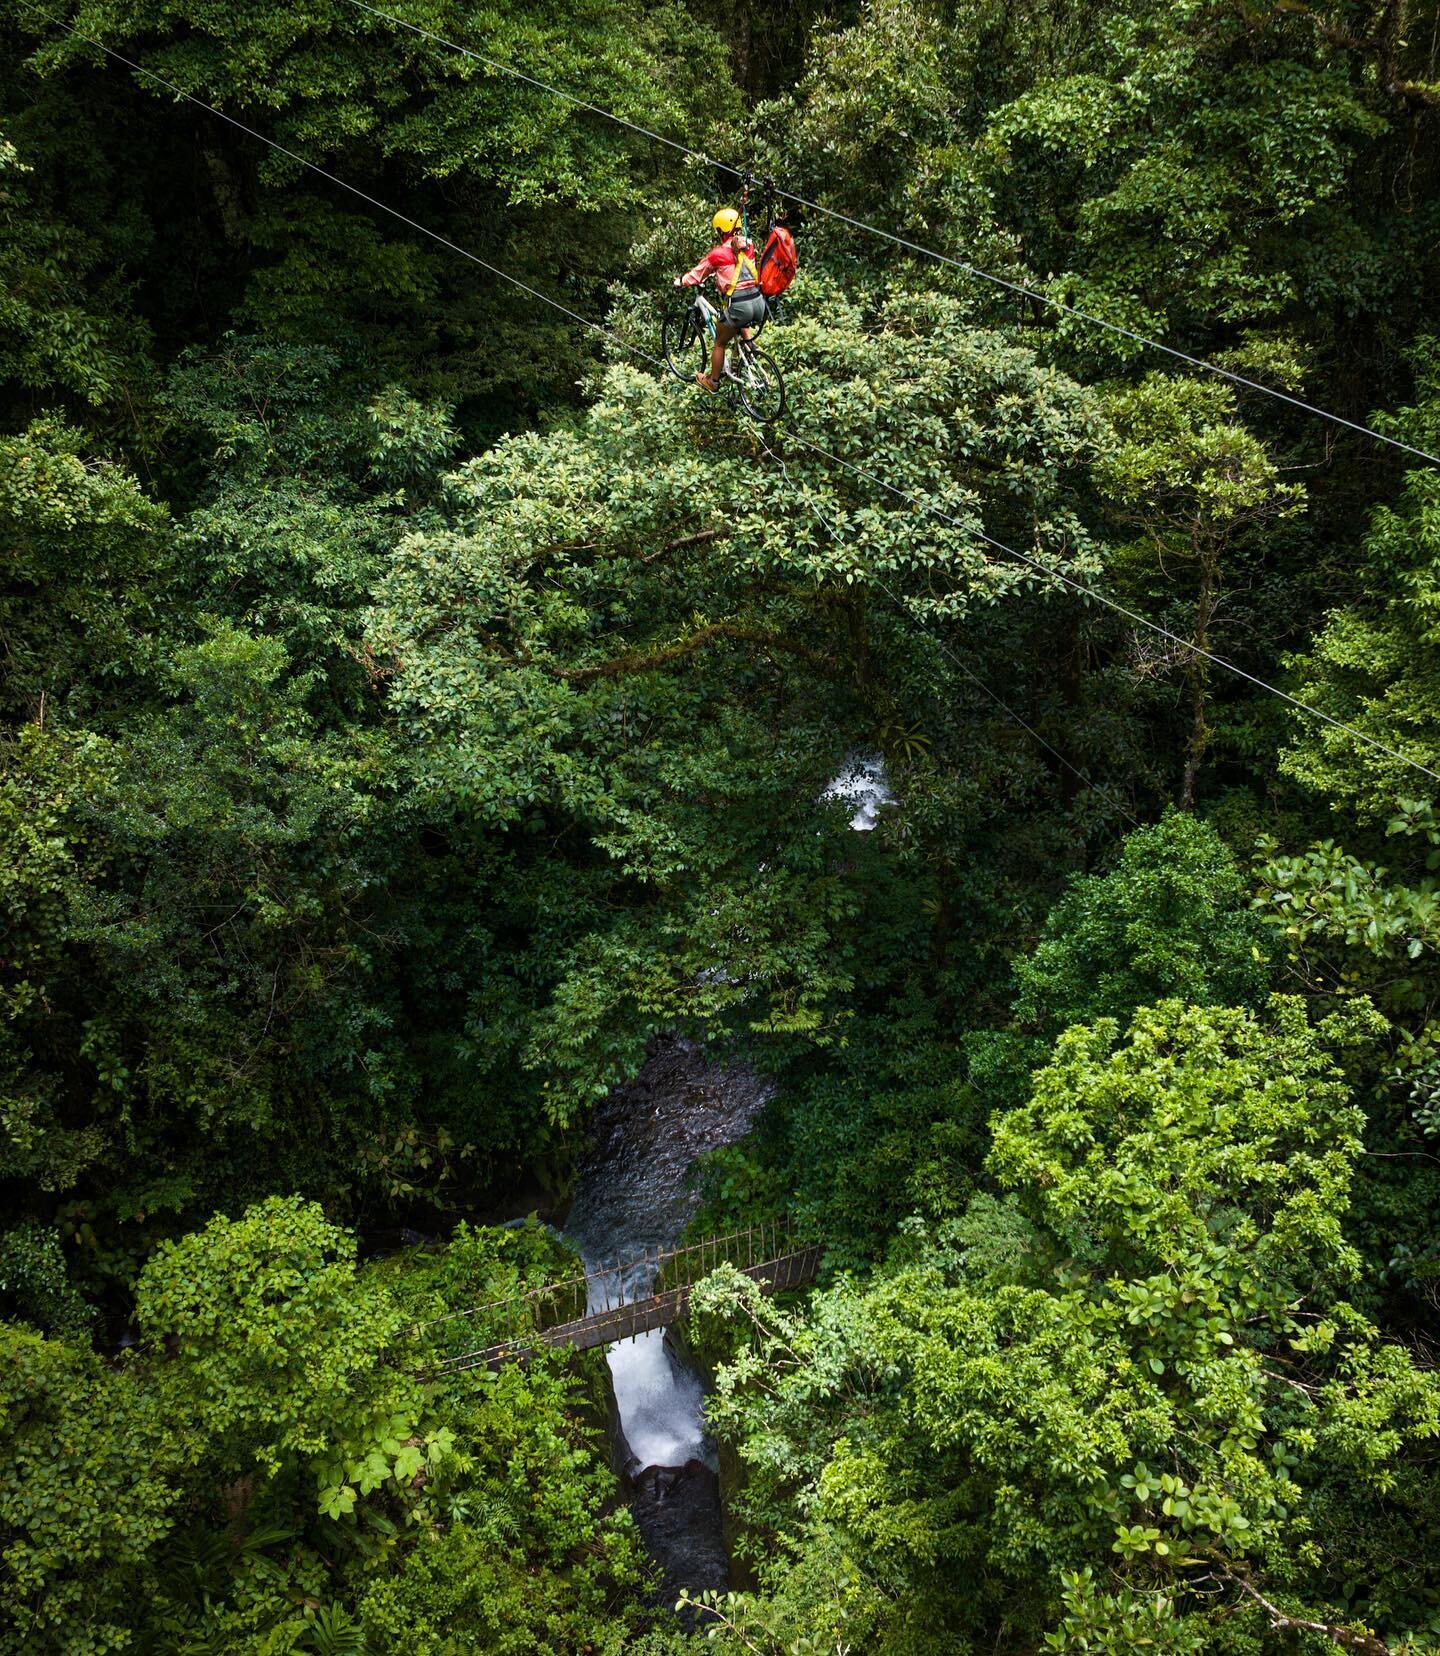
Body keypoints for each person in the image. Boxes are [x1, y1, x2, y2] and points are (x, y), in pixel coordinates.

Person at [674, 207, 766, 393]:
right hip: (759, 303)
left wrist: (681, 281)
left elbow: (697, 274)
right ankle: (748, 346)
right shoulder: (749, 246)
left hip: (741, 306)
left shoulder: (718, 254)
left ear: (720, 230)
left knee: (719, 342)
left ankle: (713, 382)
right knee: (734, 318)